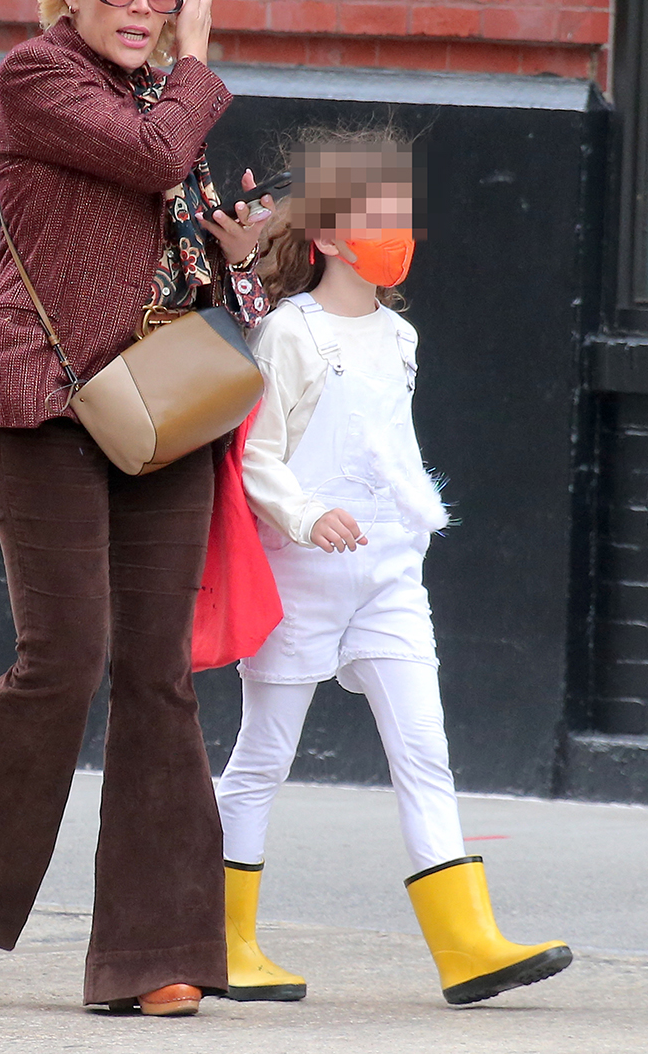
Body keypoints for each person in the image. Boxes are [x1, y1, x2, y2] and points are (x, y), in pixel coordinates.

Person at [0, 0, 272, 1017]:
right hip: (44, 404)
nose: (144, 8)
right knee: (68, 655)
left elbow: (182, 237)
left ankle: (155, 953)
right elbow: (149, 156)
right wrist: (198, 68)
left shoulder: (169, 108)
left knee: (157, 673)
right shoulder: (36, 82)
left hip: (160, 411)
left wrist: (243, 262)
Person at [214, 132, 574, 1006]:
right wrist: (304, 514)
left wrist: (406, 529)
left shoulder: (400, 337)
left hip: (387, 578)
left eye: (402, 217)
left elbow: (395, 449)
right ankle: (223, 940)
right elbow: (257, 455)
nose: (397, 232)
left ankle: (466, 946)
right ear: (331, 236)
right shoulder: (288, 333)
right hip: (301, 574)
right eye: (378, 218)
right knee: (264, 755)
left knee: (426, 752)